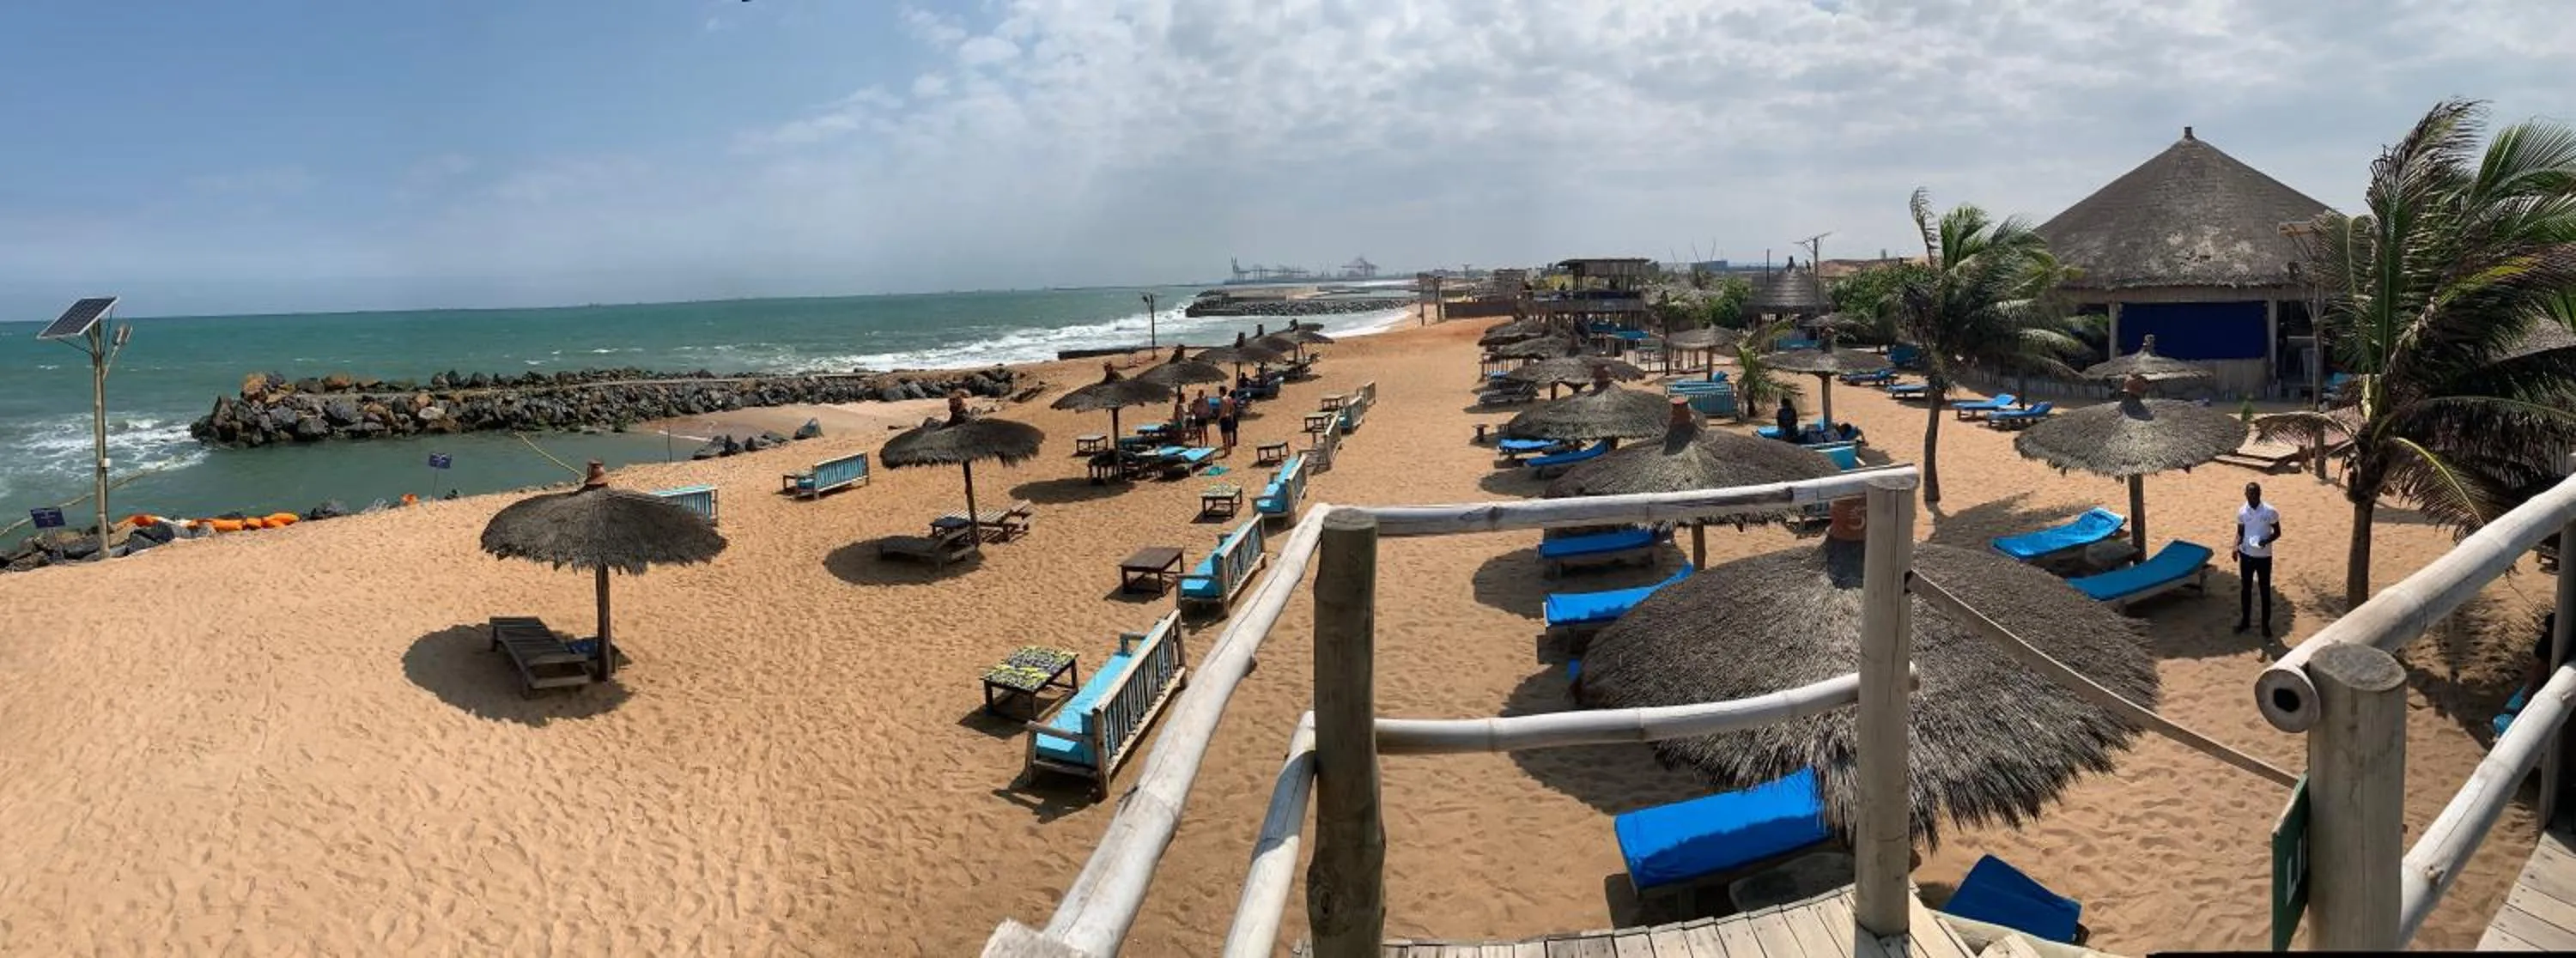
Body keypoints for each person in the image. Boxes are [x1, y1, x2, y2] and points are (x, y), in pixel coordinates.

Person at [2235, 482, 2282, 635]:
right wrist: (2235, 546)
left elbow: (2277, 532)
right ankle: (2245, 621)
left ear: (2260, 494)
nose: (2252, 496)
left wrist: (2265, 541)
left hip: (2264, 557)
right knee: (2246, 589)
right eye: (2250, 493)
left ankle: (2265, 624)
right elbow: (2240, 532)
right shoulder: (2242, 512)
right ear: (2245, 494)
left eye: (2255, 493)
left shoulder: (2270, 511)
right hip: (2246, 555)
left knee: (2264, 590)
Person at [1217, 388, 1241, 454]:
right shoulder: (1229, 398)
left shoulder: (1222, 400)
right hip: (1229, 418)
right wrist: (1230, 415)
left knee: (1224, 437)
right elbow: (1233, 408)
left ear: (1221, 392)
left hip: (1224, 419)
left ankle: (1225, 452)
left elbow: (1222, 412)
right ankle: (1230, 451)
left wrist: (1218, 419)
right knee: (1229, 436)